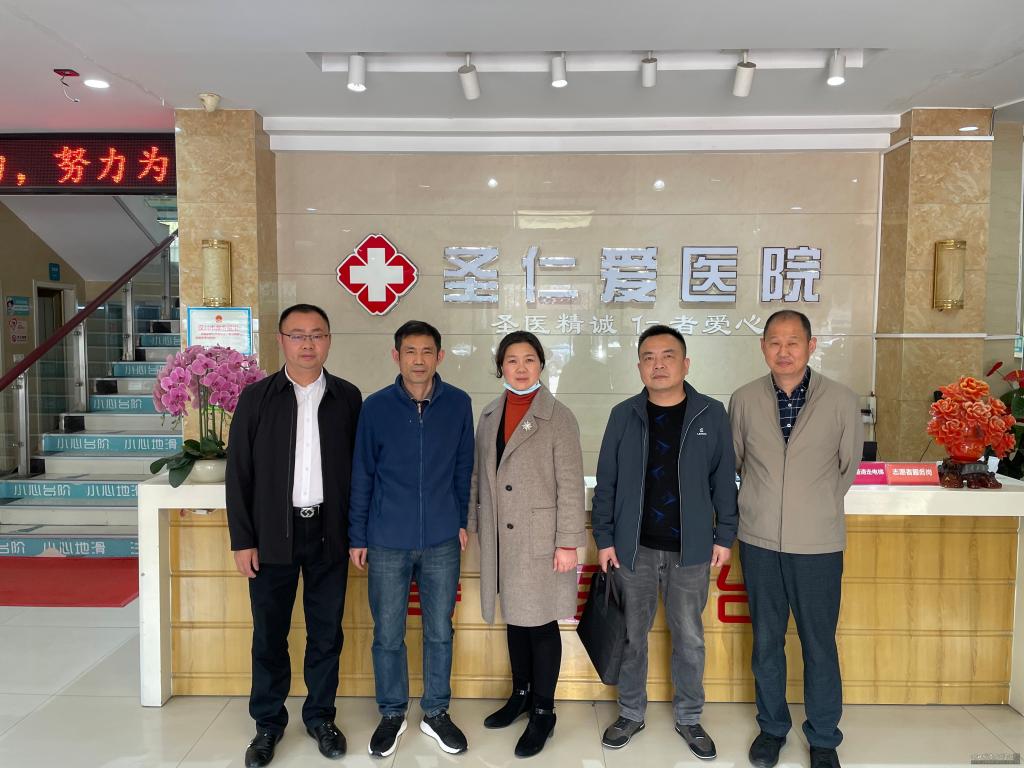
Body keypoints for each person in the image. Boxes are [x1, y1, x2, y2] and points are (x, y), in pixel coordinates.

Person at [591, 324, 737, 761]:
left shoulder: (711, 413)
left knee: (689, 638)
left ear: (686, 364)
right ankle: (630, 713)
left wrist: (725, 534)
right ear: (639, 367)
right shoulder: (623, 415)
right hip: (632, 549)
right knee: (631, 637)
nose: (658, 365)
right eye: (649, 358)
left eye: (668, 356)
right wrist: (604, 538)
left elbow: (724, 481)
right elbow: (607, 482)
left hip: (691, 550)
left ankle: (689, 717)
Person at [225, 303, 362, 768]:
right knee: (270, 634)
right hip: (271, 535)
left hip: (329, 532)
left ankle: (321, 717)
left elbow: (361, 472)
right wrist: (243, 540)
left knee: (326, 633)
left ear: (329, 340)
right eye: (297, 335)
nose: (308, 344)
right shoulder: (256, 398)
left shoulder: (347, 397)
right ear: (281, 340)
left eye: (317, 334)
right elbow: (239, 473)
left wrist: (356, 533)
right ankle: (268, 723)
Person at [728, 310, 863, 768]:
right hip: (760, 540)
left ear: (811, 345)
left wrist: (810, 507)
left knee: (818, 642)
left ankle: (823, 737)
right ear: (762, 347)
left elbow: (846, 468)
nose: (783, 351)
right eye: (774, 342)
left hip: (818, 543)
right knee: (766, 640)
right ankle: (772, 728)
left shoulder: (841, 400)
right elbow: (737, 461)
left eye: (793, 342)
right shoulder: (744, 399)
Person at [348, 320, 475, 758]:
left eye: (426, 351)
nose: (418, 360)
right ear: (396, 355)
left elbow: (464, 467)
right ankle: (392, 712)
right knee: (388, 632)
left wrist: (461, 519)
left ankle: (436, 712)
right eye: (409, 351)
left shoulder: (458, 404)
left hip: (442, 538)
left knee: (440, 630)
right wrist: (358, 534)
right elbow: (362, 474)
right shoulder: (375, 407)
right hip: (387, 538)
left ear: (440, 356)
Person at [467, 331, 585, 758]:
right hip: (501, 537)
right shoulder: (488, 414)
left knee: (540, 623)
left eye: (529, 359)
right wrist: (472, 524)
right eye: (512, 360)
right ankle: (520, 694)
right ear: (501, 366)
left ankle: (543, 711)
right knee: (514, 619)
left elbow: (571, 484)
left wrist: (568, 542)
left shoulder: (559, 416)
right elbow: (478, 476)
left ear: (541, 365)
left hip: (541, 538)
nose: (520, 368)